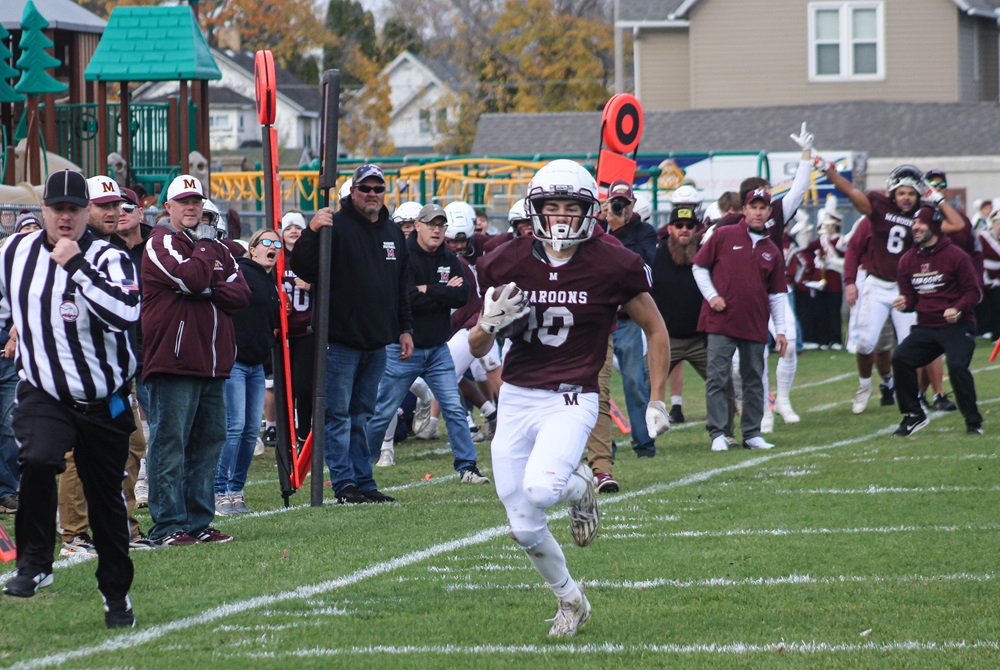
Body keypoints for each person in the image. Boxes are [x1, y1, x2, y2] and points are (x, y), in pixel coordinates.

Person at [470, 159, 671, 637]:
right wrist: (488, 325)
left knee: (541, 490)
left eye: (570, 206)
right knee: (521, 524)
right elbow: (477, 348)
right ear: (535, 210)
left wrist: (657, 398)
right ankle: (570, 599)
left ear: (589, 211)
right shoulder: (506, 260)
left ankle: (581, 486)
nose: (560, 216)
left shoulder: (614, 262)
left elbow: (656, 328)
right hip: (517, 396)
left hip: (572, 395)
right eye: (551, 206)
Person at [0, 169, 140, 628]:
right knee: (38, 459)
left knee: (106, 500)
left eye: (73, 209)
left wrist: (75, 266)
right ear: (42, 210)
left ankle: (116, 594)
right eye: (56, 208)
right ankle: (35, 565)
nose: (64, 217)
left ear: (88, 214)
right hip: (45, 390)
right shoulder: (14, 253)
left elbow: (125, 315)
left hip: (105, 399)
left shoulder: (110, 257)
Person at [291, 164, 413, 505]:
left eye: (378, 188)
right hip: (339, 340)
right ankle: (344, 483)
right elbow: (302, 267)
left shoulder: (392, 233)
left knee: (362, 416)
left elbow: (401, 286)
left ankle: (364, 480)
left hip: (377, 342)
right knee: (338, 416)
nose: (372, 194)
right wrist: (312, 232)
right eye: (366, 188)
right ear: (352, 192)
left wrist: (405, 329)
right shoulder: (334, 226)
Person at [142, 174, 251, 545]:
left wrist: (208, 284)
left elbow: (242, 296)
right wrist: (204, 255)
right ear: (167, 208)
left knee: (209, 442)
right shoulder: (160, 241)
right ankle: (168, 525)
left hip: (213, 362)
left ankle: (198, 522)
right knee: (170, 442)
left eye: (197, 201)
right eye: (184, 201)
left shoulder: (219, 249)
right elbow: (189, 279)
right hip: (174, 361)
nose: (192, 207)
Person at [817, 159, 965, 414]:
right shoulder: (877, 207)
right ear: (892, 192)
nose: (907, 198)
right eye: (902, 192)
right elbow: (850, 191)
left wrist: (935, 196)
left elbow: (958, 225)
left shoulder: (922, 216)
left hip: (906, 291)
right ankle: (865, 385)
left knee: (913, 347)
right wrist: (825, 169)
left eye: (911, 193)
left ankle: (916, 396)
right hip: (876, 284)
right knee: (865, 343)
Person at [366, 203, 489, 483]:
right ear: (417, 226)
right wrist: (440, 291)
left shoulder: (448, 257)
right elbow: (404, 298)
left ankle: (467, 467)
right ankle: (361, 464)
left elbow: (462, 297)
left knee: (454, 408)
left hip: (436, 348)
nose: (436, 229)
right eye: (431, 224)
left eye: (441, 225)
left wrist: (427, 290)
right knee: (383, 409)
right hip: (402, 347)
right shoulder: (402, 255)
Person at [57, 175, 127, 557]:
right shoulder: (66, 251)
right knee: (73, 456)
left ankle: (121, 528)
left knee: (129, 447)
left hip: (115, 371)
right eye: (104, 206)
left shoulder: (116, 250)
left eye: (117, 205)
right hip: (76, 373)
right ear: (85, 210)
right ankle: (74, 535)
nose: (113, 212)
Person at [692, 188, 789, 452]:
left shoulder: (772, 251)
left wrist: (780, 330)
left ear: (769, 212)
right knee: (717, 376)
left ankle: (752, 433)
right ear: (744, 210)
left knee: (754, 378)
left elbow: (778, 294)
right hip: (721, 321)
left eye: (763, 208)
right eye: (753, 207)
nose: (758, 212)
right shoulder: (723, 235)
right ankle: (719, 434)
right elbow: (699, 267)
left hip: (755, 323)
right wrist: (712, 296)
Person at [892, 206, 983, 436]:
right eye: (913, 224)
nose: (915, 227)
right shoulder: (907, 260)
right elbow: (912, 299)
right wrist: (905, 303)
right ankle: (914, 414)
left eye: (921, 223)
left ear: (934, 226)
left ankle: (973, 422)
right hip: (927, 326)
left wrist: (958, 309)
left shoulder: (956, 255)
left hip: (957, 326)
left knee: (956, 366)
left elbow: (973, 293)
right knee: (901, 357)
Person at [651, 204, 736, 446]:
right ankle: (644, 440)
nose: (684, 230)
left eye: (690, 226)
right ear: (669, 229)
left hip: (702, 338)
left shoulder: (707, 254)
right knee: (645, 387)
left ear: (697, 229)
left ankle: (725, 433)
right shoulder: (656, 256)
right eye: (679, 226)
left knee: (723, 384)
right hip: (666, 340)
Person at [215, 229, 281, 514]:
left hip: (256, 365)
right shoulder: (241, 272)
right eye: (266, 241)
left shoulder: (271, 283)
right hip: (236, 362)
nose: (273, 246)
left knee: (250, 430)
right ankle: (218, 491)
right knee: (234, 427)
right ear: (252, 249)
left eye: (277, 243)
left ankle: (236, 489)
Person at [601, 179, 659, 458]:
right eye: (615, 203)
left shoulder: (645, 232)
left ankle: (644, 441)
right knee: (595, 384)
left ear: (633, 204)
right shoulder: (597, 230)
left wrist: (619, 231)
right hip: (600, 317)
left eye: (624, 203)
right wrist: (608, 226)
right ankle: (601, 443)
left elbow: (640, 268)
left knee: (635, 380)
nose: (619, 208)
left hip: (627, 318)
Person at [115, 187, 155, 547]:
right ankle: (75, 521)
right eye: (114, 207)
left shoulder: (156, 249)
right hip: (107, 362)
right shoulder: (100, 249)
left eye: (129, 206)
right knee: (116, 437)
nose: (122, 213)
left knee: (145, 438)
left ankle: (141, 496)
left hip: (146, 357)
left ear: (141, 212)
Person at [279, 211, 315, 444]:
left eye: (298, 227)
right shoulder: (276, 257)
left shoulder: (311, 258)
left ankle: (303, 433)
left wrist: (313, 286)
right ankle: (284, 434)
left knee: (303, 387)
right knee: (283, 388)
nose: (293, 230)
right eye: (288, 227)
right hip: (282, 333)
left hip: (307, 332)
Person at [977, 210, 1000, 337]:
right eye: (998, 224)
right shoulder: (983, 237)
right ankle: (983, 329)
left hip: (998, 277)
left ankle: (996, 333)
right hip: (984, 274)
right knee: (982, 303)